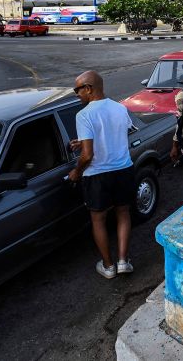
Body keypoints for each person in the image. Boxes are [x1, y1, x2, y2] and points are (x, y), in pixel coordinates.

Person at [69, 71, 136, 279]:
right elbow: (117, 135)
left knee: (98, 220)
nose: (77, 94)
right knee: (123, 213)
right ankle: (123, 261)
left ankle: (108, 266)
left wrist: (76, 171)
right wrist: (85, 141)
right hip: (123, 169)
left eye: (77, 90)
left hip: (97, 174)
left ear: (88, 88)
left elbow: (88, 155)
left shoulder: (84, 115)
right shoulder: (120, 108)